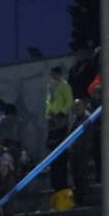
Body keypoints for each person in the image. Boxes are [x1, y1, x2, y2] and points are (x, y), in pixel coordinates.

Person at [45, 66, 73, 196]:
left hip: (61, 117)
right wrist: (48, 114)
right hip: (52, 117)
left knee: (60, 140)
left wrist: (62, 112)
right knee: (52, 142)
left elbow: (69, 101)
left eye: (55, 74)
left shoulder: (64, 86)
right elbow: (48, 101)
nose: (53, 77)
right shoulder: (50, 86)